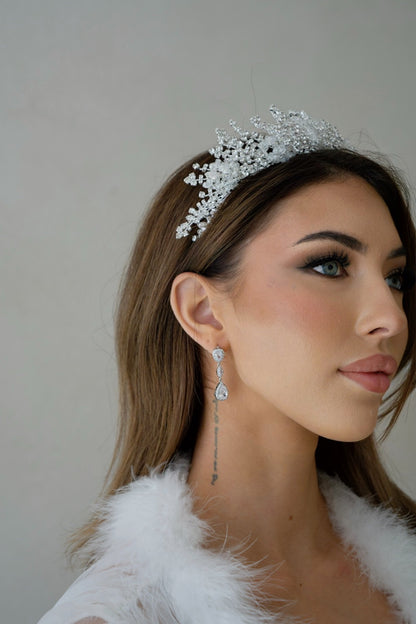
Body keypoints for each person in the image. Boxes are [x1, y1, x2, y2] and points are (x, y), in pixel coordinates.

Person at [39, 108, 416, 624]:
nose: (391, 318)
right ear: (204, 311)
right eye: (329, 264)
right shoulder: (123, 614)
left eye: (396, 278)